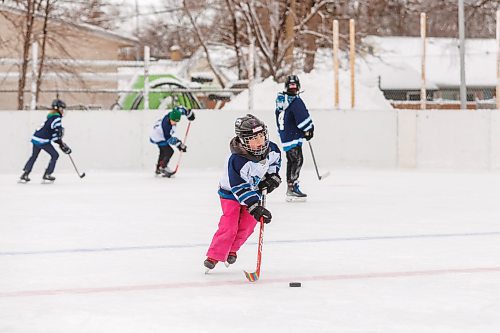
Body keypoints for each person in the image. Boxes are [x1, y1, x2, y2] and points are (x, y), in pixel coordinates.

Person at [204, 114, 282, 271]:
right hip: (230, 194)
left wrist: (272, 177)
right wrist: (254, 206)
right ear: (243, 140)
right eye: (254, 139)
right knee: (229, 226)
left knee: (249, 224)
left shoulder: (271, 148)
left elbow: (275, 162)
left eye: (261, 136)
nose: (260, 141)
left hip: (254, 190)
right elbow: (239, 186)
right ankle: (215, 255)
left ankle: (232, 250)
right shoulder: (237, 160)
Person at [275, 74, 314, 201]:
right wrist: (308, 130)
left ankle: (290, 187)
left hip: (286, 136)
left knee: (292, 161)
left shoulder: (281, 100)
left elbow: (285, 118)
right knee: (297, 160)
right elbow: (302, 117)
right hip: (293, 136)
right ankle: (293, 188)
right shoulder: (295, 101)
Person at [20, 99, 72, 183]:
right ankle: (47, 174)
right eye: (62, 109)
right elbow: (56, 134)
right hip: (42, 140)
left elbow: (52, 132)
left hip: (36, 138)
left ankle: (25, 173)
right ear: (57, 108)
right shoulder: (56, 118)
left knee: (34, 156)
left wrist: (61, 143)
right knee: (55, 155)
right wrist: (62, 145)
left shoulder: (51, 115)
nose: (63, 111)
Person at [149, 105, 195, 177]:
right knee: (169, 151)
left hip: (160, 135)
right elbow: (169, 138)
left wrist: (188, 113)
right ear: (170, 118)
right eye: (173, 121)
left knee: (163, 151)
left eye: (176, 121)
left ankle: (159, 168)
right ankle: (163, 167)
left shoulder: (174, 113)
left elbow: (179, 109)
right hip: (158, 137)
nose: (174, 123)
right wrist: (179, 145)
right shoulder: (166, 126)